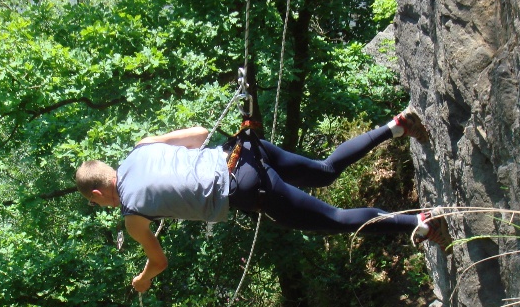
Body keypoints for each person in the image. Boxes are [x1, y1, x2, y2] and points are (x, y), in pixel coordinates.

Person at [75, 107, 452, 292]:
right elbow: (201, 132)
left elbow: (159, 261)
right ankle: (397, 126)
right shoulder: (141, 147)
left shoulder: (131, 215)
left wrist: (142, 280)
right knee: (323, 170)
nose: (101, 206)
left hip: (246, 187)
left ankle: (421, 222)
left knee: (335, 219)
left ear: (97, 193)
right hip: (244, 151)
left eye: (96, 203)